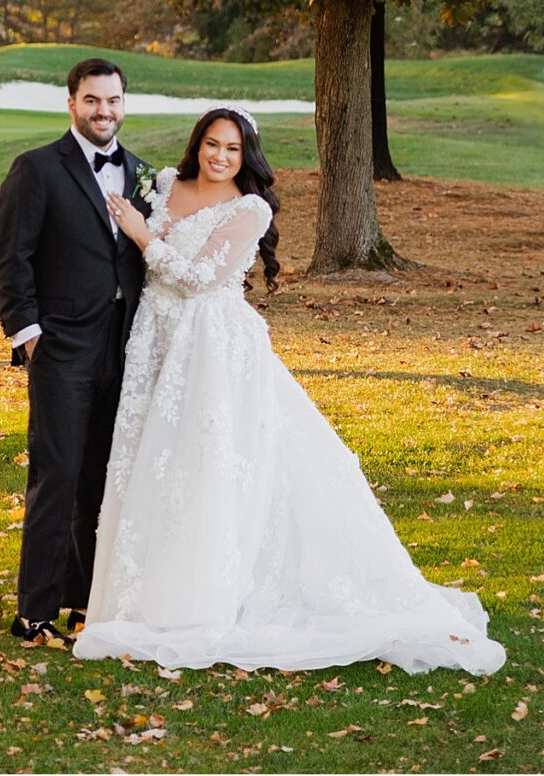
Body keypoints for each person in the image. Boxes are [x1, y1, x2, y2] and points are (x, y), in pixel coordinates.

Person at [73, 105, 506, 676]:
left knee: (205, 464)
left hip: (210, 346)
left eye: (232, 148)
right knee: (153, 462)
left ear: (245, 157)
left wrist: (142, 234)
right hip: (155, 338)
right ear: (196, 144)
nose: (219, 156)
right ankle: (134, 596)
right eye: (211, 143)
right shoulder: (164, 184)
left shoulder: (248, 209)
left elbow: (200, 279)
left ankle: (200, 600)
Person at [0, 57, 153, 645]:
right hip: (61, 345)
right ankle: (33, 612)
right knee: (56, 474)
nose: (103, 111)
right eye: (92, 100)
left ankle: (86, 602)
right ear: (71, 103)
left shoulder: (140, 173)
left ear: (123, 105)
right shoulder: (37, 170)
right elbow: (13, 260)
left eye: (112, 101)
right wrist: (28, 336)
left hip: (124, 344)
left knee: (104, 478)